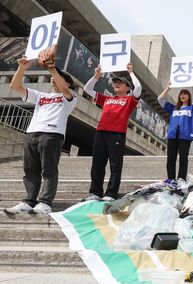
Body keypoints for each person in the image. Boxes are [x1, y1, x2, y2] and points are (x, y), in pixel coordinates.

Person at [5, 52, 77, 214]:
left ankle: (45, 202)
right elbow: (15, 87)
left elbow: (64, 88)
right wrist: (21, 68)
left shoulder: (69, 97)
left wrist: (52, 69)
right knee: (30, 170)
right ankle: (29, 201)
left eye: (59, 76)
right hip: (32, 133)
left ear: (67, 83)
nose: (53, 77)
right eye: (53, 75)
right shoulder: (41, 96)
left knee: (49, 170)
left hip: (52, 134)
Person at [82, 63, 142, 201]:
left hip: (116, 134)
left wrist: (131, 73)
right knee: (97, 164)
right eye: (115, 82)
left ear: (127, 87)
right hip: (100, 132)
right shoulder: (107, 99)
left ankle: (110, 194)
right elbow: (87, 88)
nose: (116, 84)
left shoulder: (129, 100)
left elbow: (138, 88)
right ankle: (95, 192)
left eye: (120, 83)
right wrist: (96, 76)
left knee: (115, 165)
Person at [158, 81, 193, 180]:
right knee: (170, 159)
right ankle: (171, 180)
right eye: (181, 94)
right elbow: (160, 99)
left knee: (183, 159)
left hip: (185, 136)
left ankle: (181, 179)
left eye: (185, 94)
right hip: (172, 135)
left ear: (189, 97)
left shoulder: (192, 108)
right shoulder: (173, 108)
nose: (183, 95)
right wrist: (168, 88)